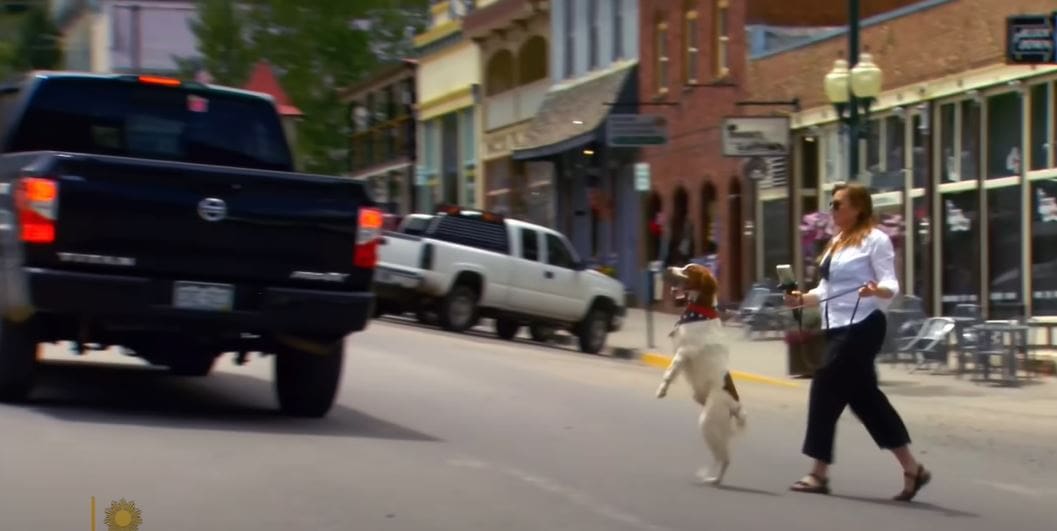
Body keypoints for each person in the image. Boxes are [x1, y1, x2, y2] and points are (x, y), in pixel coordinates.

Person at [783, 182, 931, 501]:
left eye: (838, 204)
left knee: (824, 384)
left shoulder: (875, 240)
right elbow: (826, 290)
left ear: (858, 208)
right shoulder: (836, 242)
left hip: (863, 324)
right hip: (835, 325)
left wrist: (875, 290)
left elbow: (891, 284)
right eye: (831, 204)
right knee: (866, 399)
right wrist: (801, 299)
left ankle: (818, 473)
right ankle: (912, 468)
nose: (832, 210)